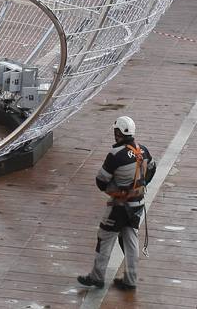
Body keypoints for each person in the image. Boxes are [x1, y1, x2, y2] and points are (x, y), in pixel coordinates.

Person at [76, 115, 155, 293]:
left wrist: (116, 190)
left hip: (120, 206)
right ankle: (130, 280)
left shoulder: (115, 155)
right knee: (130, 238)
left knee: (105, 237)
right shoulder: (143, 150)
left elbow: (101, 181)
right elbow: (152, 169)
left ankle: (97, 277)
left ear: (118, 133)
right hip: (138, 203)